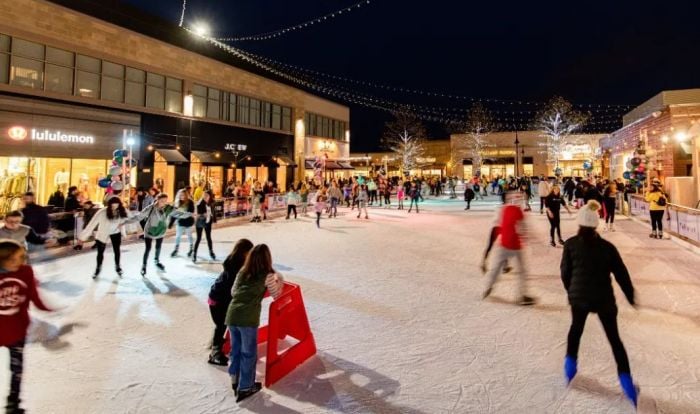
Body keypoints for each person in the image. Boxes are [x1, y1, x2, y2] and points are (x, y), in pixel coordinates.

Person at [560, 200, 638, 407]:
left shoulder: (570, 244)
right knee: (614, 339)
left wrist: (571, 292)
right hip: (603, 298)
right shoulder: (607, 247)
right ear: (596, 225)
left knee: (575, 331)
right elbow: (621, 273)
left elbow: (565, 273)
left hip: (580, 298)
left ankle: (570, 367)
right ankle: (627, 382)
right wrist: (630, 295)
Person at [225, 244, 284, 402]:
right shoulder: (268, 275)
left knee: (235, 349)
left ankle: (235, 380)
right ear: (267, 258)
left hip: (232, 315)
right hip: (248, 318)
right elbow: (277, 295)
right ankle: (245, 387)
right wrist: (281, 280)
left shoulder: (242, 271)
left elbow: (233, 292)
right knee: (248, 353)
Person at [0, 240, 53, 414]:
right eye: (13, 259)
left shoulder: (26, 272)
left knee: (17, 369)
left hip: (16, 330)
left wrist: (47, 308)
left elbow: (33, 295)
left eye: (21, 258)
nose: (19, 262)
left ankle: (12, 403)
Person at [483, 192, 535, 306]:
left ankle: (488, 287)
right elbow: (523, 229)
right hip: (515, 245)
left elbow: (497, 225)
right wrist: (528, 239)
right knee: (522, 271)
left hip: (504, 244)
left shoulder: (503, 209)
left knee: (496, 267)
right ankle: (521, 295)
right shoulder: (519, 212)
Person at [207, 239, 254, 366]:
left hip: (221, 299)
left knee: (224, 324)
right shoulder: (234, 267)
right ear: (244, 252)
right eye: (250, 252)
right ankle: (214, 354)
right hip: (217, 301)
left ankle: (217, 344)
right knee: (221, 325)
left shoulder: (240, 264)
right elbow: (236, 287)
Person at [122, 193, 191, 276]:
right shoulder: (151, 208)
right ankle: (144, 265)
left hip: (161, 231)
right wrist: (125, 222)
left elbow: (178, 213)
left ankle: (157, 261)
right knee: (148, 249)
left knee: (158, 247)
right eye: (162, 201)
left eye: (165, 201)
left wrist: (190, 214)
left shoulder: (168, 208)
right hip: (150, 231)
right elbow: (139, 217)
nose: (164, 203)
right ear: (157, 200)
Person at [78, 196, 129, 278]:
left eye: (116, 206)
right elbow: (92, 224)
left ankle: (118, 267)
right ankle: (98, 268)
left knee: (117, 250)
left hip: (116, 233)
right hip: (103, 233)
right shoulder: (102, 212)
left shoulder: (121, 211)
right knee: (100, 252)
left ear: (119, 205)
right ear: (109, 205)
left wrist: (123, 231)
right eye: (112, 206)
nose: (114, 208)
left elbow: (127, 220)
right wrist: (83, 237)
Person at [193, 190, 217, 263]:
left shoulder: (212, 203)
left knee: (208, 237)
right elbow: (198, 214)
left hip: (208, 222)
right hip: (200, 222)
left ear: (210, 196)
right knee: (198, 238)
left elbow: (213, 212)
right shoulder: (200, 203)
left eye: (207, 195)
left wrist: (214, 221)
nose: (205, 197)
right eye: (204, 195)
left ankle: (211, 251)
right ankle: (194, 254)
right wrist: (204, 214)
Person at [171, 191, 195, 258]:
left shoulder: (190, 202)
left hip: (188, 222)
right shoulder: (177, 202)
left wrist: (184, 214)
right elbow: (174, 213)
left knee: (189, 235)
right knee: (178, 236)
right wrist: (171, 223)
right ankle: (176, 249)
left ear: (186, 195)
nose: (182, 197)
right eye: (181, 195)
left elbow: (191, 212)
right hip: (180, 222)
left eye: (183, 195)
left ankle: (191, 248)